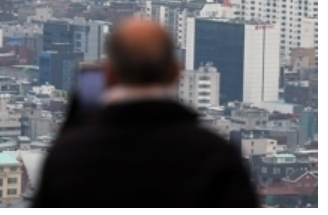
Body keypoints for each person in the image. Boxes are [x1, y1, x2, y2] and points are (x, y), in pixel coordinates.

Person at [33, 19, 260, 208]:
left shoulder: (69, 158)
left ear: (109, 75)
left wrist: (72, 131)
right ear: (175, 73)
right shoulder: (215, 154)